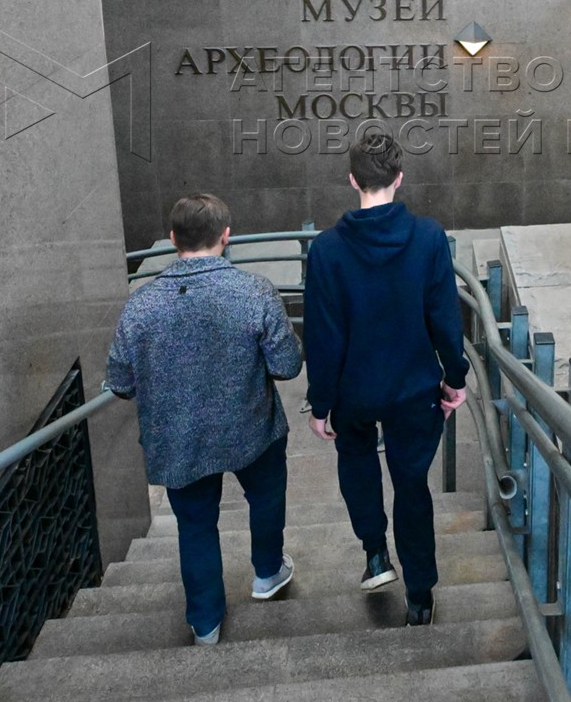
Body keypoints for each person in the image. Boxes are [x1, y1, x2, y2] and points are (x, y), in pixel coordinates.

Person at [104, 194, 302, 645]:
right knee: (266, 498)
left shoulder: (141, 305)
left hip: (177, 440)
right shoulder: (254, 292)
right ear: (226, 236)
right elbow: (288, 365)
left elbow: (120, 381)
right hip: (252, 429)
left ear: (173, 239)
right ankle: (268, 572)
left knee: (195, 527)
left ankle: (207, 622)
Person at [303, 133, 469, 627]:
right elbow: (445, 319)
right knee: (412, 485)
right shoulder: (429, 238)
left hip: (353, 392)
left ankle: (375, 554)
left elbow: (323, 336)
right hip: (413, 390)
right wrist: (454, 378)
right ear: (399, 178)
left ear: (353, 180)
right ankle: (419, 595)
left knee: (356, 463)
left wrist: (320, 404)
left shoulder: (326, 250)